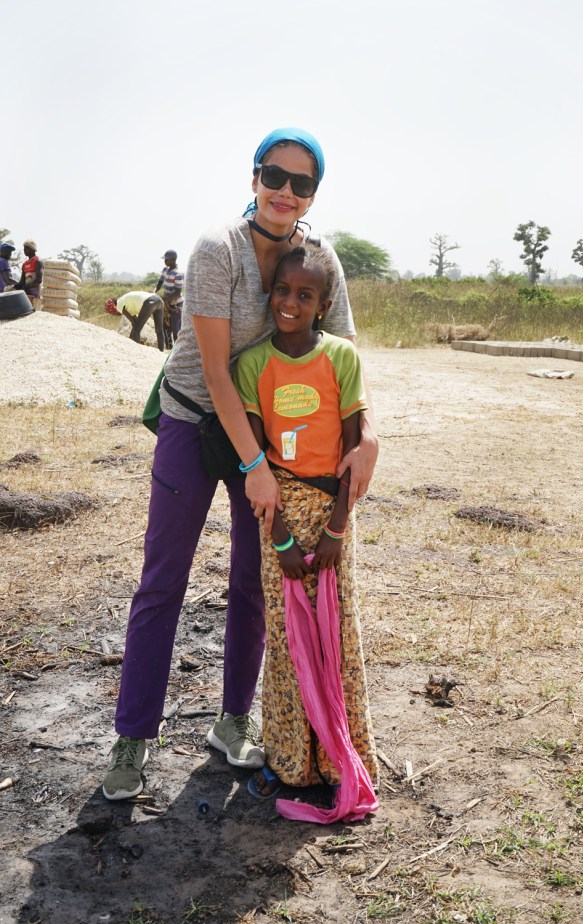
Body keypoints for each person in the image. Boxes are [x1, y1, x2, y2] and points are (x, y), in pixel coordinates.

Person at [102, 127, 379, 802]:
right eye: (273, 176)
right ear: (253, 178)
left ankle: (233, 720)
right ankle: (132, 737)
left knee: (256, 580)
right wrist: (253, 465)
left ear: (314, 193)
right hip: (196, 420)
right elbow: (217, 374)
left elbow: (343, 361)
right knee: (163, 578)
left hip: (268, 434)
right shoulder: (216, 249)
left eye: (301, 183)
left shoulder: (320, 260)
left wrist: (368, 435)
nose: (285, 191)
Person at [233, 244, 379, 805]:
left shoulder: (341, 357)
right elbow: (259, 467)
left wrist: (336, 531)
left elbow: (352, 453)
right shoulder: (253, 365)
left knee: (337, 634)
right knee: (286, 637)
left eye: (305, 294)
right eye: (282, 290)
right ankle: (292, 762)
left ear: (324, 305)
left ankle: (341, 760)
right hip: (279, 514)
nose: (290, 303)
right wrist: (281, 540)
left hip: (333, 512)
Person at [155, 249, 184, 349]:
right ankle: (169, 348)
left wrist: (163, 300)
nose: (165, 261)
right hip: (167, 302)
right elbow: (160, 282)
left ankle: (178, 350)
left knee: (175, 329)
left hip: (176, 304)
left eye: (166, 259)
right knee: (165, 326)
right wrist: (154, 291)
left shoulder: (178, 273)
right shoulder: (165, 270)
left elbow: (177, 293)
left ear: (172, 260)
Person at [15, 239, 43, 309]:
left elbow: (39, 280)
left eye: (27, 248)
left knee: (35, 311)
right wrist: (14, 286)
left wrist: (26, 286)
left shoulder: (38, 261)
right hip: (27, 294)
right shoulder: (24, 264)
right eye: (24, 248)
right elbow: (22, 281)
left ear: (33, 249)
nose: (24, 250)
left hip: (36, 293)